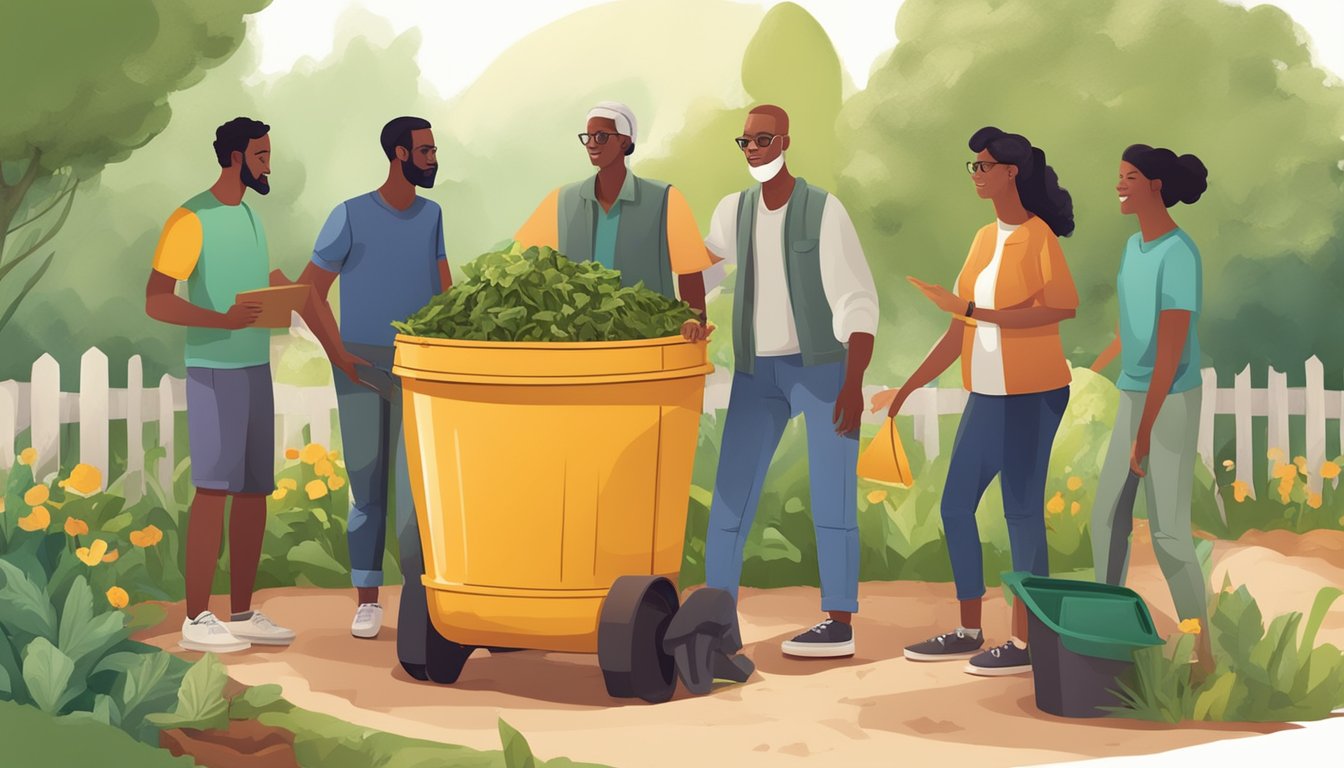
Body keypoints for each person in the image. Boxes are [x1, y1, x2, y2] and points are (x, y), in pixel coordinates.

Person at [872, 127, 1078, 676]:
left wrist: (974, 310)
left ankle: (1027, 641)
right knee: (955, 505)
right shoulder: (984, 239)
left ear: (1012, 172)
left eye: (984, 166)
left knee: (1021, 512)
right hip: (987, 394)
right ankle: (968, 630)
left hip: (1033, 393)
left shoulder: (1039, 239)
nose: (976, 175)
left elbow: (1059, 308)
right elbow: (958, 327)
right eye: (973, 166)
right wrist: (908, 387)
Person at [700, 104, 878, 659]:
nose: (752, 148)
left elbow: (857, 298)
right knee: (730, 499)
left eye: (763, 139)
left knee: (833, 496)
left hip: (823, 367)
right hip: (758, 372)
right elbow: (703, 273)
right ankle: (715, 619)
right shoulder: (734, 211)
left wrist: (853, 382)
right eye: (746, 141)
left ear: (785, 141)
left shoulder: (824, 211)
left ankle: (839, 621)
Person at [145, 117, 311, 652]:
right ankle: (196, 618)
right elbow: (157, 298)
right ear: (235, 157)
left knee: (253, 490)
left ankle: (240, 612)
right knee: (213, 490)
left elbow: (250, 291)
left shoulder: (251, 217)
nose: (268, 165)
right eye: (261, 156)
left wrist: (280, 294)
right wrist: (221, 322)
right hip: (212, 369)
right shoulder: (191, 218)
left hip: (254, 367)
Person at [294, 116, 451, 680]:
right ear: (399, 153)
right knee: (368, 483)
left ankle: (417, 599)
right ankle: (366, 599)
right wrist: (340, 357)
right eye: (427, 150)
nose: (434, 159)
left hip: (418, 362)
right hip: (359, 360)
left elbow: (444, 292)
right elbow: (309, 291)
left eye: (435, 150)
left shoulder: (432, 216)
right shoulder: (350, 215)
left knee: (416, 487)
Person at [1089, 144, 1212, 675]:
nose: (1119, 185)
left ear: (1157, 186)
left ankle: (1202, 652)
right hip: (1132, 392)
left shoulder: (1178, 254)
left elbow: (1170, 347)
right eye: (1119, 176)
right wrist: (1096, 369)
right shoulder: (1133, 247)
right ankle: (1107, 638)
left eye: (1130, 177)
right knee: (1107, 519)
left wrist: (1145, 432)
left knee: (1167, 532)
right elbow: (1130, 327)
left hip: (1171, 398)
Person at [515, 101, 713, 342]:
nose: (591, 144)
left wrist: (695, 319)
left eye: (600, 136)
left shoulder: (665, 199)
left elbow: (690, 273)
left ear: (625, 141)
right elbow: (521, 260)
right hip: (578, 342)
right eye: (587, 137)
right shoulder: (562, 200)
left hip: (647, 339)